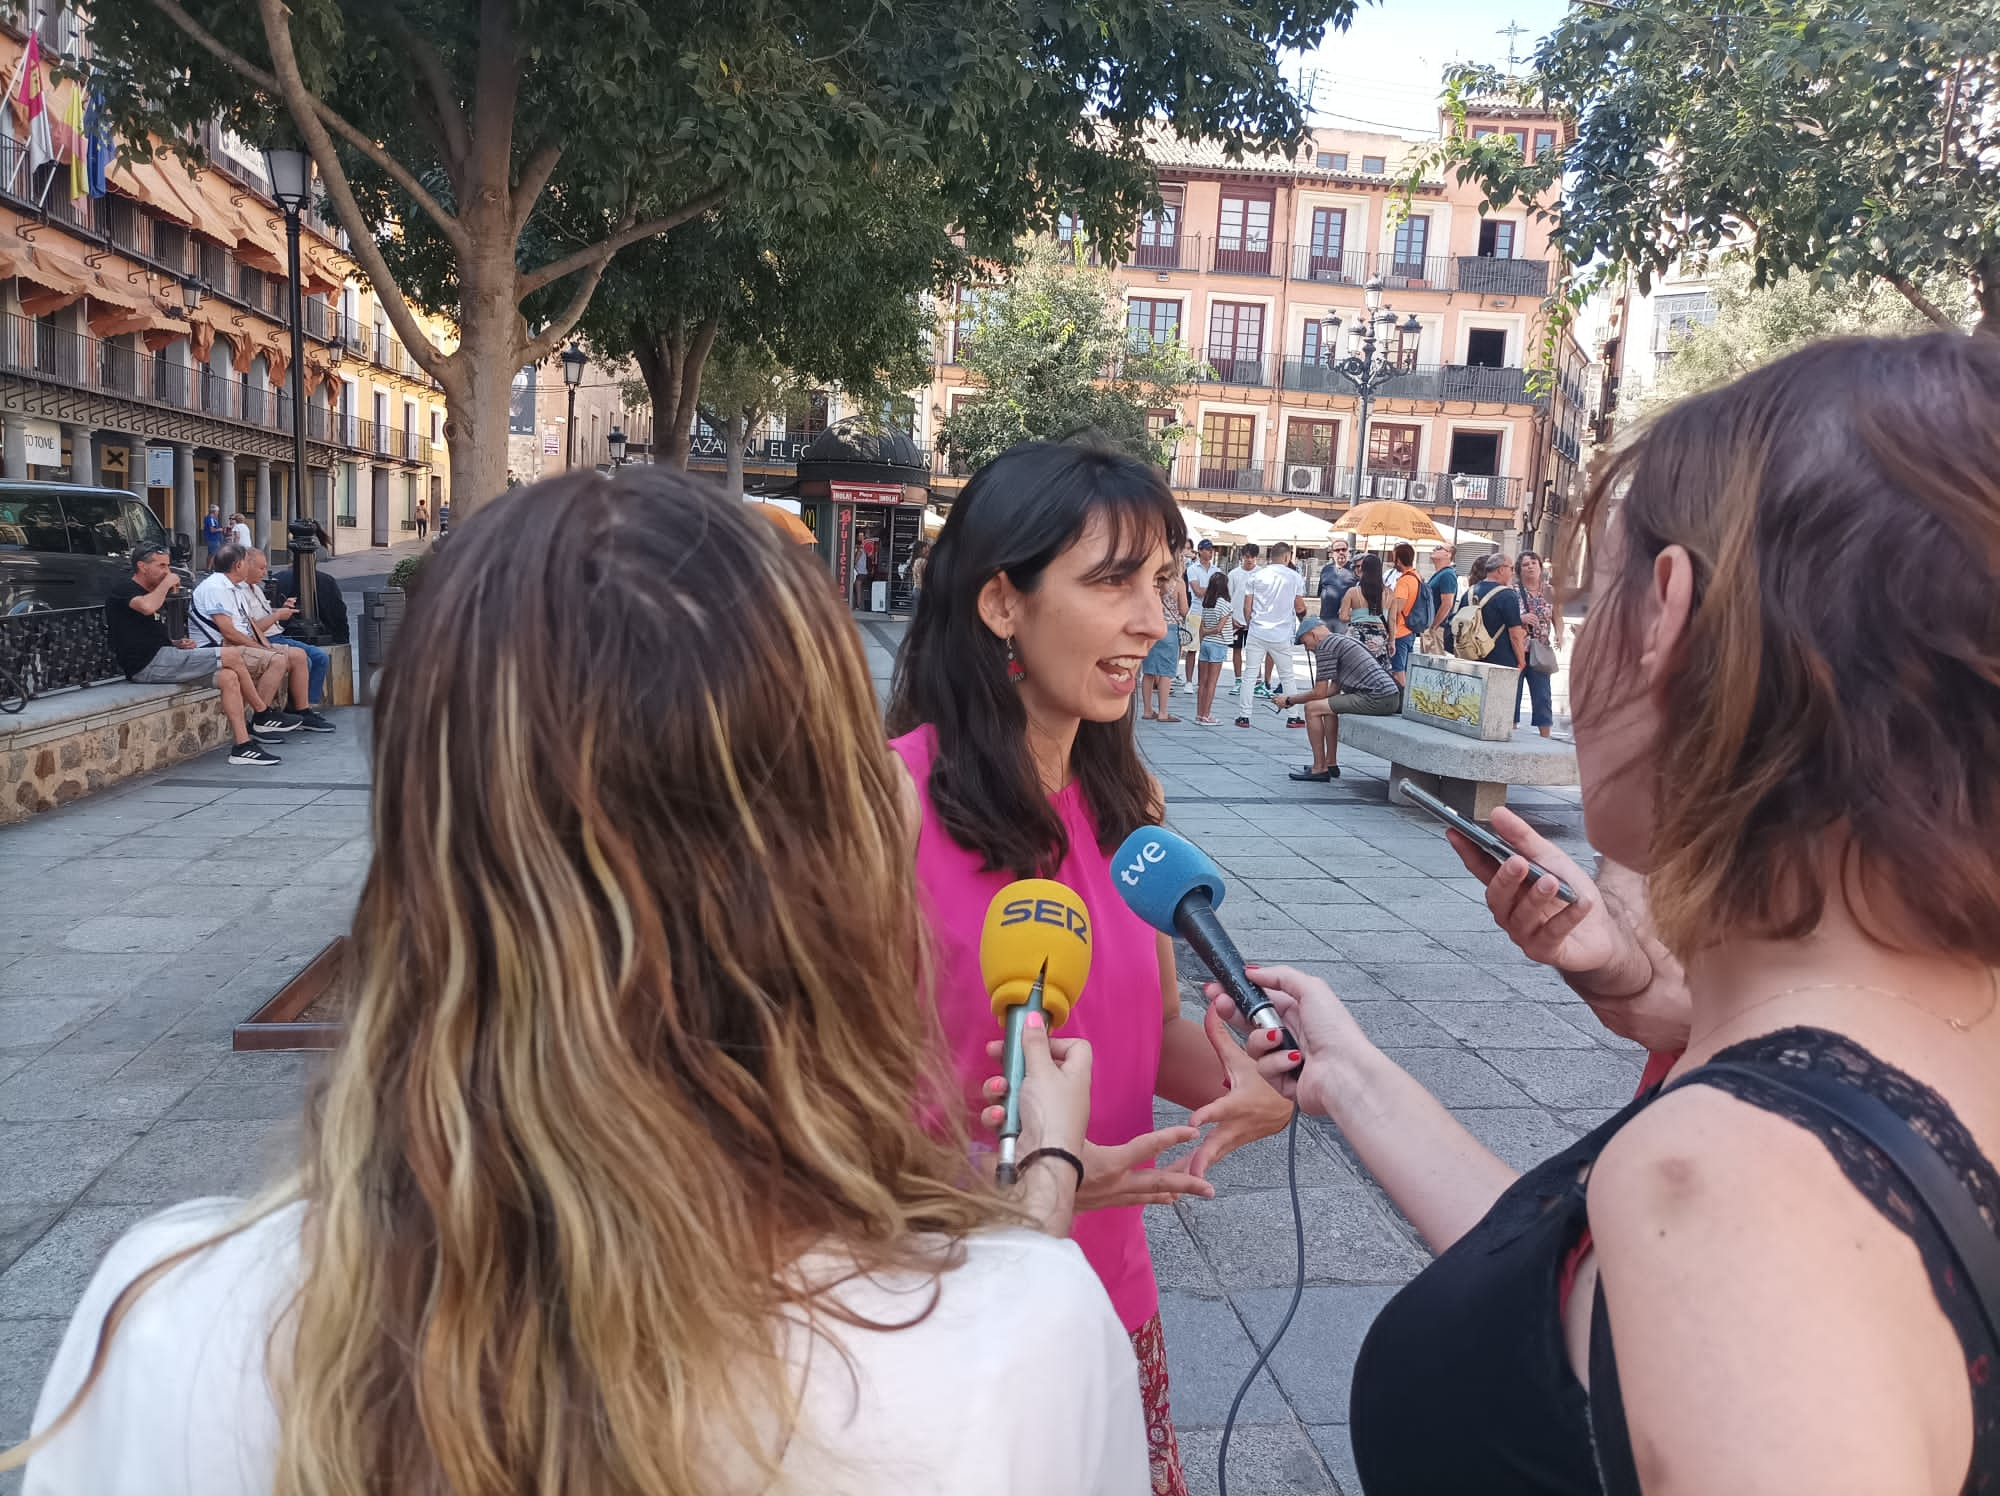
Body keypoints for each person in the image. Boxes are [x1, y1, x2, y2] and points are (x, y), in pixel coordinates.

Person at [11, 467, 1148, 1496]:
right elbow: (1001, 1375)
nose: (1152, 614)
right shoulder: (1016, 1335)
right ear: (828, 850)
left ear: (421, 827)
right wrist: (1036, 1188)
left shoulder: (161, 1324)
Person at [1223, 333, 2000, 1495]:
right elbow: (1590, 1325)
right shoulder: (1893, 1068)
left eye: (1601, 584)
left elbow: (1716, 1272)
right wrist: (1353, 1076)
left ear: (1665, 617)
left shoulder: (1747, 1191)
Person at [887, 440, 1293, 1494]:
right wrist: (1014, 1180)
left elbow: (1152, 1033)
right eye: (1111, 581)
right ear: (1000, 603)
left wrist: (1252, 1080)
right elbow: (792, 1112)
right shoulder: (879, 809)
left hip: (1107, 1300)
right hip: (930, 1306)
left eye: (1157, 582)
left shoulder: (1128, 821)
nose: (1153, 622)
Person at [99, 544, 284, 766]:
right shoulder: (125, 590)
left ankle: (242, 746)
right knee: (232, 655)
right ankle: (262, 713)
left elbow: (145, 632)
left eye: (168, 565)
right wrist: (167, 584)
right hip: (147, 665)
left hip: (165, 656)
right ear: (142, 566)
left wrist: (176, 643)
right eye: (161, 565)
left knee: (228, 677)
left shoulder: (152, 593)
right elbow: (146, 608)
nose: (167, 571)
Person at [190, 546, 306, 735]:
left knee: (296, 655)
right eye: (247, 562)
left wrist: (264, 646)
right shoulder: (215, 587)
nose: (251, 566)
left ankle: (294, 712)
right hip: (219, 648)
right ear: (238, 565)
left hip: (239, 644)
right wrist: (261, 650)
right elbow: (228, 632)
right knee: (277, 660)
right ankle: (261, 718)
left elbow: (248, 625)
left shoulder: (234, 588)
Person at [1275, 616, 1402, 781]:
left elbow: (1319, 692)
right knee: (1325, 707)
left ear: (1313, 634)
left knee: (1311, 709)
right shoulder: (1339, 640)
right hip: (1387, 695)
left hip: (1377, 697)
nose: (1306, 649)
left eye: (1305, 642)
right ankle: (1330, 763)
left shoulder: (1325, 646)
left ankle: (1319, 768)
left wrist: (1289, 700)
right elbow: (1333, 690)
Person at [239, 548, 335, 732]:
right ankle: (298, 709)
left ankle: (303, 707)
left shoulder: (256, 589)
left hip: (277, 634)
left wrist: (281, 610)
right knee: (305, 658)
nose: (263, 572)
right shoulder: (239, 592)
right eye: (260, 568)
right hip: (266, 638)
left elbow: (264, 615)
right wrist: (277, 616)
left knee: (319, 658)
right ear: (246, 565)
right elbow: (252, 628)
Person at [1236, 540, 1302, 727]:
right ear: (1287, 557)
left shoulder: (1256, 576)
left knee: (1249, 674)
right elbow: (1299, 606)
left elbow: (1247, 606)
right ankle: (1293, 715)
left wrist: (1250, 624)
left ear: (1270, 557)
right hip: (1281, 633)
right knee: (1287, 675)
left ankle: (1244, 715)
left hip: (1257, 630)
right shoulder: (1294, 577)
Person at [1514, 550, 1558, 737]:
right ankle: (1510, 731)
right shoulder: (1513, 592)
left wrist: (1559, 634)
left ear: (1541, 567)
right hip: (1517, 649)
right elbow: (1506, 618)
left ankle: (1545, 736)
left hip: (1540, 649)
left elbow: (1558, 615)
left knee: (1543, 695)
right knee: (1512, 694)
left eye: (1534, 563)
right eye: (1525, 564)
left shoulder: (1550, 591)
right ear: (1519, 570)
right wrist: (1521, 617)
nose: (1530, 567)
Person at [1464, 552, 1527, 673]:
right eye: (1511, 568)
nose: (1512, 573)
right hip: (1500, 660)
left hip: (1471, 656)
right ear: (1501, 570)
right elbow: (1515, 635)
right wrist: (1521, 661)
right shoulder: (1508, 595)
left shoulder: (1470, 591)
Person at [1139, 569, 1183, 724]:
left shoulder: (1152, 583)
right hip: (1169, 629)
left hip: (1152, 626)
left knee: (1149, 670)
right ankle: (1163, 712)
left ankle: (1147, 710)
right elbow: (1184, 609)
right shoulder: (1178, 584)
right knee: (1166, 671)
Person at [270, 561, 349, 646]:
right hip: (322, 633)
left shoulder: (276, 578)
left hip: (284, 633)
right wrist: (343, 639)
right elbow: (339, 613)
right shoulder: (327, 580)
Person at [1339, 552, 1392, 665]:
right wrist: (1392, 642)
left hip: (1356, 635)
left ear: (1363, 569)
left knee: (1352, 670)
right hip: (1379, 637)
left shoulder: (1352, 592)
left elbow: (1343, 616)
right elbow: (1392, 621)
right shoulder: (1389, 594)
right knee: (1378, 672)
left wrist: (1358, 616)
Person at [1193, 571, 1232, 725]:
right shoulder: (1225, 604)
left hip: (1206, 644)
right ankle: (1207, 715)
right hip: (1218, 643)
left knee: (1202, 681)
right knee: (1212, 682)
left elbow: (1202, 627)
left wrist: (1204, 635)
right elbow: (1219, 628)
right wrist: (1210, 631)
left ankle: (1199, 713)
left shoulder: (1207, 603)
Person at [1386, 541, 1422, 686]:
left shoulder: (1404, 581)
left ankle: (1402, 700)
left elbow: (1396, 611)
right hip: (1410, 629)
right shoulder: (1416, 577)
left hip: (1400, 631)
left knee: (1398, 670)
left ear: (1399, 559)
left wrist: (1391, 637)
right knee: (1405, 668)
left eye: (1394, 557)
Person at [1183, 539, 1216, 686]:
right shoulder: (1193, 569)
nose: (1210, 552)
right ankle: (1189, 681)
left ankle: (1202, 681)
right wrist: (1213, 589)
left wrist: (1206, 590)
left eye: (1211, 549)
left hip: (1211, 613)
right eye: (1207, 549)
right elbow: (1197, 592)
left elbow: (1219, 592)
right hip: (1196, 611)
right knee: (1192, 648)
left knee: (1208, 649)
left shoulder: (1216, 570)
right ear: (1200, 550)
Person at [1225, 542, 1258, 689]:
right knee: (1236, 650)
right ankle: (1238, 680)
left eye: (1252, 557)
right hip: (1237, 619)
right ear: (1242, 557)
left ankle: (1256, 681)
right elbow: (1227, 597)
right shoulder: (1233, 574)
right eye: (1247, 557)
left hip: (1255, 620)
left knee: (1255, 651)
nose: (1249, 560)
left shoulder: (1261, 573)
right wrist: (1230, 618)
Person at [1422, 544, 1458, 654]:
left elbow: (1447, 604)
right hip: (1431, 627)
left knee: (1432, 662)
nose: (1434, 549)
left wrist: (1433, 627)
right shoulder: (1440, 574)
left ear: (1448, 554)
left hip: (1437, 629)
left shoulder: (1447, 574)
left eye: (1438, 548)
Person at [1317, 539, 1356, 632]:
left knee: (1341, 645)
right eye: (1337, 550)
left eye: (1344, 549)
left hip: (1344, 619)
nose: (1341, 552)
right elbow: (1321, 590)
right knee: (1325, 645)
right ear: (1332, 553)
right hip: (1325, 617)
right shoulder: (1326, 569)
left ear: (1348, 551)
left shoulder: (1355, 569)